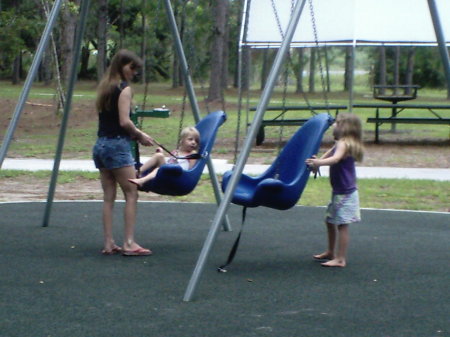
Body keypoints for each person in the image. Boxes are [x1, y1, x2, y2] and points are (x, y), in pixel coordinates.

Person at [93, 49, 154, 256]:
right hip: (117, 146)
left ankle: (109, 242)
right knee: (131, 192)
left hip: (100, 145)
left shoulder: (105, 88)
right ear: (121, 65)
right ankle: (129, 243)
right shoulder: (124, 89)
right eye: (131, 67)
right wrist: (140, 135)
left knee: (109, 196)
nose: (134, 72)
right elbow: (124, 121)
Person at [305, 113, 364, 267]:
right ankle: (331, 252)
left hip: (346, 193)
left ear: (346, 128)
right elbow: (327, 156)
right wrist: (316, 163)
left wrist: (319, 162)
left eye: (337, 123)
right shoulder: (339, 143)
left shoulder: (344, 143)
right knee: (330, 221)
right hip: (340, 191)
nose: (333, 126)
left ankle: (340, 258)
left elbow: (335, 159)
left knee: (342, 225)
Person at [128, 126, 200, 187]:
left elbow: (190, 172)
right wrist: (161, 153)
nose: (194, 142)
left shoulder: (192, 154)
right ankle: (138, 172)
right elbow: (168, 162)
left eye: (196, 141)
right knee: (159, 155)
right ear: (182, 140)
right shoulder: (175, 152)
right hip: (168, 174)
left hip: (178, 178)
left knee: (159, 168)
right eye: (190, 139)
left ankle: (142, 180)